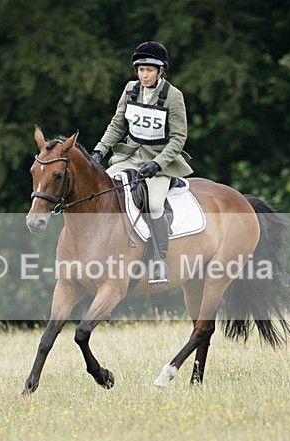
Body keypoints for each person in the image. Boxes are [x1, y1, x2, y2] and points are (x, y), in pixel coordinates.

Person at [92, 41, 193, 286]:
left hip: (161, 162)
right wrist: (99, 151)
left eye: (149, 70)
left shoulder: (173, 96)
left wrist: (158, 164)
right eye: (140, 70)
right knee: (103, 189)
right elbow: (117, 125)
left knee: (154, 204)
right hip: (130, 157)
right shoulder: (130, 90)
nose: (144, 75)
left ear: (161, 71)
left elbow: (179, 137)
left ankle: (160, 261)